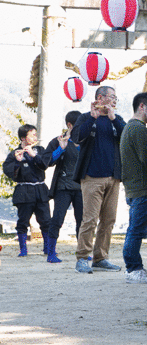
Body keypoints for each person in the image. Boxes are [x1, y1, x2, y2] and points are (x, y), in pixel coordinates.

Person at [71, 85, 125, 274]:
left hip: (114, 177)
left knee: (109, 220)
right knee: (90, 219)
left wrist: (113, 118)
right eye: (112, 96)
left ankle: (101, 257)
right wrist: (93, 117)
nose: (114, 100)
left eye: (115, 97)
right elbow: (76, 137)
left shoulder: (116, 119)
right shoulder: (86, 117)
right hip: (92, 176)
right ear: (100, 98)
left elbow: (127, 137)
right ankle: (83, 257)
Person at [120, 92, 147, 284]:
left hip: (136, 188)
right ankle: (133, 268)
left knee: (135, 230)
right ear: (142, 106)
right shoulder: (138, 129)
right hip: (143, 189)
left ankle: (134, 267)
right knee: (136, 231)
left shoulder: (131, 128)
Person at [2, 124, 51, 257]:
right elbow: (8, 171)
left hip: (40, 188)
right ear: (23, 138)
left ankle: (48, 248)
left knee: (46, 220)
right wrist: (17, 162)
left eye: (35, 134)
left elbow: (45, 165)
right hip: (24, 190)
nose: (35, 136)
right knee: (23, 220)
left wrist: (33, 155)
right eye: (32, 134)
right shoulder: (14, 153)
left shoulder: (40, 150)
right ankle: (23, 249)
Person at [43, 110, 83, 263]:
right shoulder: (58, 140)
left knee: (83, 221)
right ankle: (51, 253)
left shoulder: (86, 141)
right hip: (63, 186)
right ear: (69, 125)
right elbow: (48, 161)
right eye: (78, 125)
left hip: (81, 187)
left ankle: (83, 252)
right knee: (57, 219)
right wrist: (61, 148)